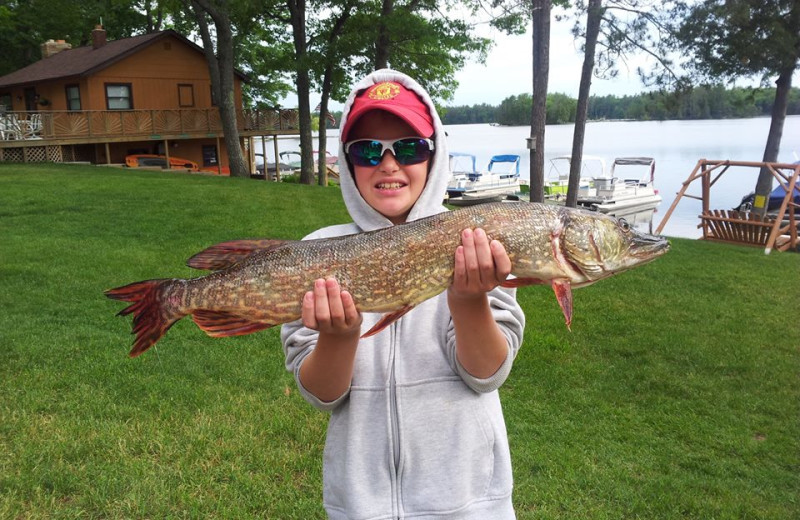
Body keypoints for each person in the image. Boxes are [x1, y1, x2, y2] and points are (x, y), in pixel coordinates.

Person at [281, 69, 525, 519]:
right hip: (363, 504)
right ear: (348, 161)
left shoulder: (479, 243)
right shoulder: (315, 252)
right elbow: (323, 395)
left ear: (434, 156)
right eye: (368, 150)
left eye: (409, 148)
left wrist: (469, 301)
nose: (389, 164)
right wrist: (339, 337)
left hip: (469, 504)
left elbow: (486, 375)